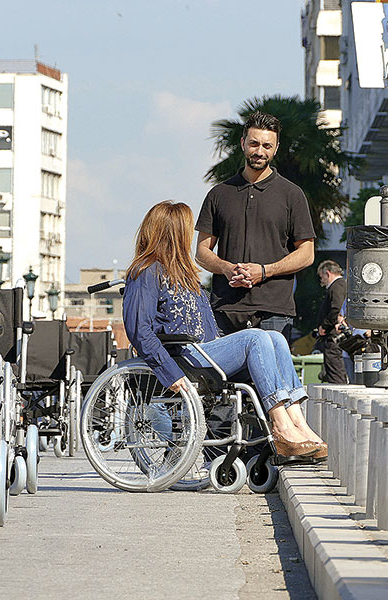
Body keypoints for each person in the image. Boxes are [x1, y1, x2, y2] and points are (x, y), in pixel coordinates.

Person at [124, 201, 326, 458]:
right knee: (255, 338)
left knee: (274, 337)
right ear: (173, 234)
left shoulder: (185, 276)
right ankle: (280, 425)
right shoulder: (146, 272)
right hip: (183, 356)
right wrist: (170, 373)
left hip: (203, 351)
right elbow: (139, 330)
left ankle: (297, 421)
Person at [195, 111, 315, 342]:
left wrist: (264, 271)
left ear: (276, 148)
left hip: (274, 312)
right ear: (243, 143)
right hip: (224, 310)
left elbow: (307, 253)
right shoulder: (219, 194)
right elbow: (201, 252)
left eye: (267, 146)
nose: (260, 151)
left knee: (269, 378)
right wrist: (227, 268)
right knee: (222, 378)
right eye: (254, 143)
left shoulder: (292, 195)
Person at [316, 259, 348, 384]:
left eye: (321, 277)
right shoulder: (339, 285)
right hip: (333, 334)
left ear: (328, 273)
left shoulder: (337, 286)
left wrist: (324, 326)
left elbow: (336, 308)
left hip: (333, 336)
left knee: (335, 371)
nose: (321, 280)